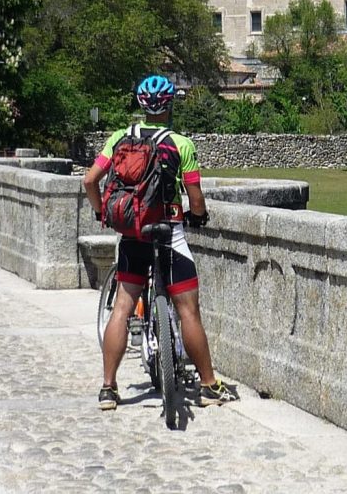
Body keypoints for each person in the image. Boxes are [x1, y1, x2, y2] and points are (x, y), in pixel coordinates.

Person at [83, 74, 239, 411]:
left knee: (123, 309)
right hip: (168, 232)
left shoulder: (119, 139)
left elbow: (89, 179)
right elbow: (195, 197)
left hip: (132, 234)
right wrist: (197, 215)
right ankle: (209, 386)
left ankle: (109, 388)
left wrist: (102, 213)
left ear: (141, 104)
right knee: (189, 311)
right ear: (168, 104)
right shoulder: (181, 144)